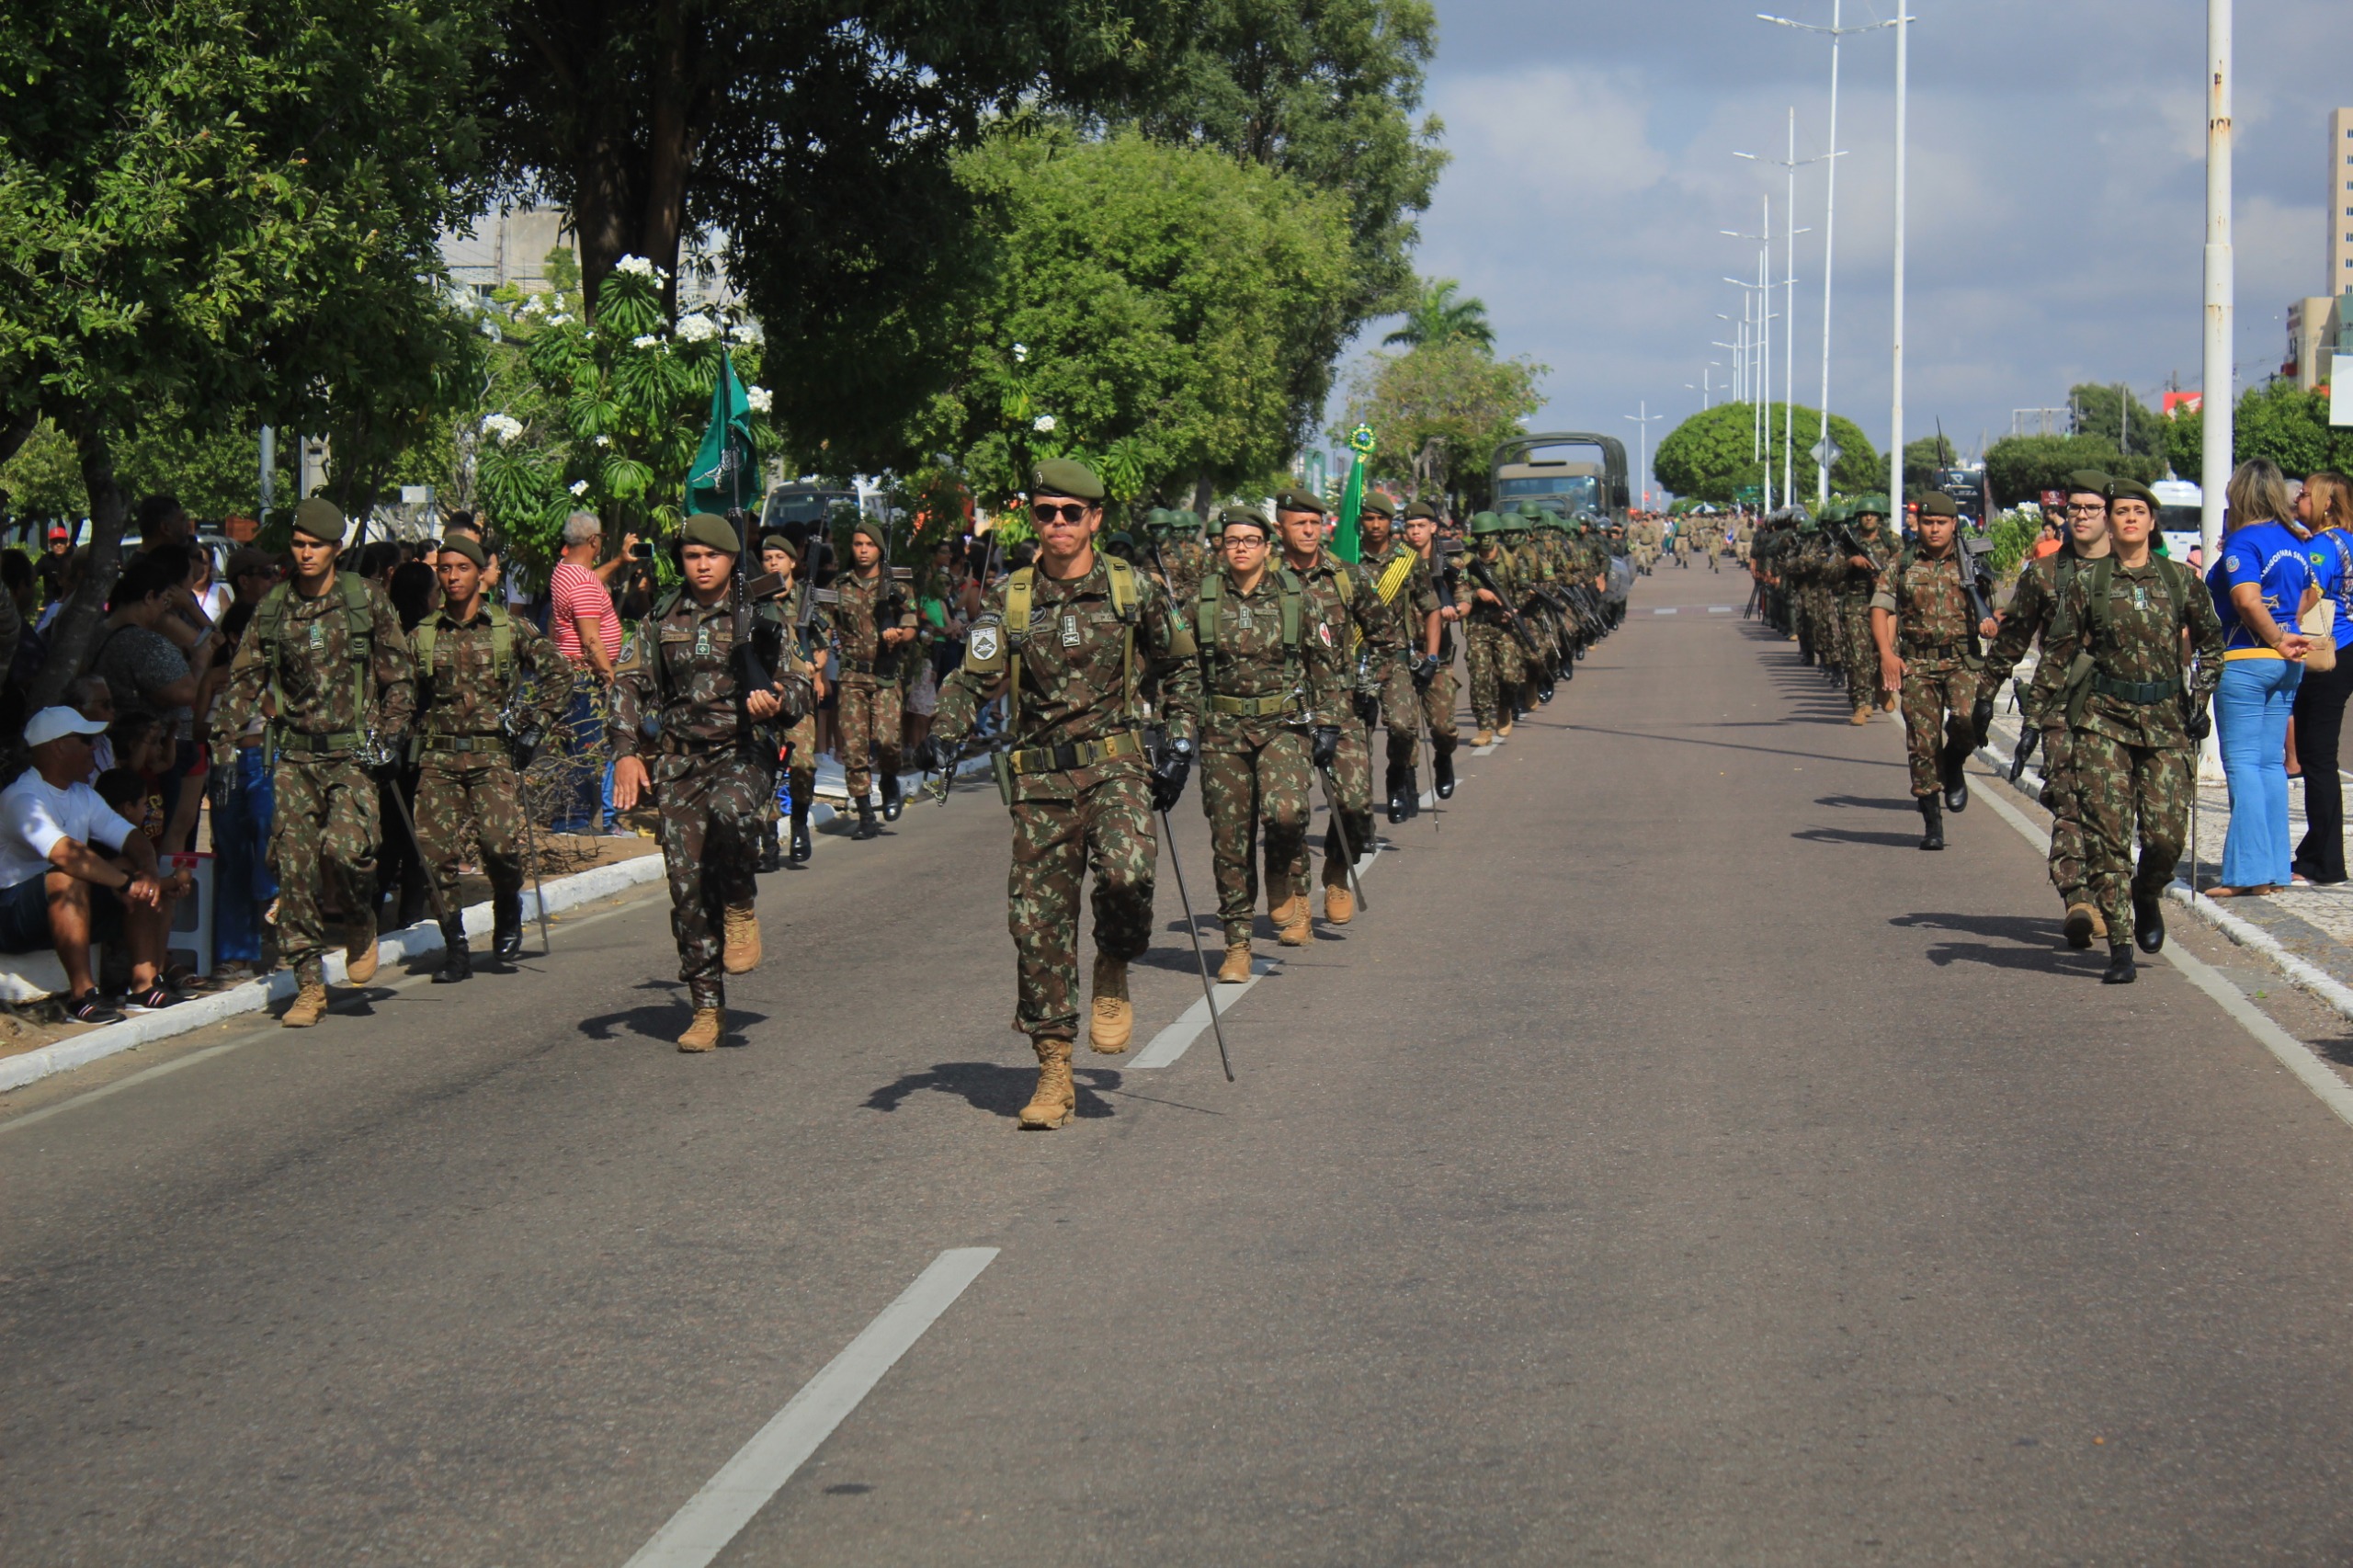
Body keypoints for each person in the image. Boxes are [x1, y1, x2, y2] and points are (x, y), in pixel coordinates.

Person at [919, 459, 1201, 1129]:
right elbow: (974, 674)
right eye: (1045, 513)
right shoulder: (1012, 599)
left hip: (1118, 765)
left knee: (1128, 877)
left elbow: (1181, 666)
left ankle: (1112, 961)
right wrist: (948, 723)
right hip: (1042, 780)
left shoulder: (1134, 590)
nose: (1056, 525)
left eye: (1070, 513)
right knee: (1038, 927)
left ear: (1095, 520)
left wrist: (1181, 740)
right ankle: (1053, 1069)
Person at [210, 498, 415, 1026]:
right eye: (298, 545)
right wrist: (222, 743)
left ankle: (359, 919)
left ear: (335, 550)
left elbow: (400, 675)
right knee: (295, 871)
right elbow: (243, 680)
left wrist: (390, 735)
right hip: (295, 757)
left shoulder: (363, 600)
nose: (304, 554)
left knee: (348, 850)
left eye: (315, 546)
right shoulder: (275, 607)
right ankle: (307, 984)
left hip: (353, 754)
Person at [608, 514, 809, 1051]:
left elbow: (799, 682)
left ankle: (741, 900)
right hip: (679, 765)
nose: (701, 565)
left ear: (729, 561)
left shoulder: (760, 615)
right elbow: (628, 683)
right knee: (688, 888)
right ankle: (706, 1006)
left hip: (743, 752)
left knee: (731, 811)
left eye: (712, 556)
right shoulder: (661, 618)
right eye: (692, 555)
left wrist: (779, 699)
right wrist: (626, 752)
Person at [2044, 478, 2225, 983]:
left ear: (2151, 521)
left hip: (2166, 720)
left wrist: (2202, 695)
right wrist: (2044, 718)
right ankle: (2120, 945)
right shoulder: (2088, 582)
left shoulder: (2180, 581)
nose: (2128, 518)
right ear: (2110, 520)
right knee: (2107, 834)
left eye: (2137, 511)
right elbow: (2058, 652)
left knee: (2166, 837)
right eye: (2120, 510)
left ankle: (2147, 893)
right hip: (2104, 719)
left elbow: (2212, 644)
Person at [409, 534, 573, 982]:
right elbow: (402, 696)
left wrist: (535, 728)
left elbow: (560, 674)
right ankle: (456, 947)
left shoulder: (508, 629)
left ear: (480, 573)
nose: (453, 577)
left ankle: (507, 904)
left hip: (492, 756)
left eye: (462, 568)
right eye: (445, 569)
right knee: (434, 855)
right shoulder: (424, 635)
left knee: (498, 846)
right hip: (438, 759)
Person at [1188, 505, 1340, 972]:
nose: (1239, 548)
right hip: (1222, 732)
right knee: (1229, 841)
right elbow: (1184, 669)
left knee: (1287, 812)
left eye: (1249, 540)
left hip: (1284, 725)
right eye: (1231, 540)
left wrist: (1329, 722)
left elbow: (1323, 663)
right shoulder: (1204, 600)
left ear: (1267, 548)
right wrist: (1178, 726)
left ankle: (1280, 873)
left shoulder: (1296, 597)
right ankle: (1237, 944)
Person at [1979, 471, 2115, 945]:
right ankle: (2078, 897)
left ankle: (2111, 892)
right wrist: (1984, 695)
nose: (2080, 515)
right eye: (2074, 507)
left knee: (2116, 808)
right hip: (2059, 704)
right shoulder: (2044, 573)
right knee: (2071, 800)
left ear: (2110, 515)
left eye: (2090, 508)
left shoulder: (2136, 569)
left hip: (2124, 710)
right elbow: (2013, 638)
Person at [0, 707, 189, 1021]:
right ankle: (83, 997)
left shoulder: (83, 794)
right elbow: (65, 854)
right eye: (86, 740)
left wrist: (148, 876)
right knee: (67, 877)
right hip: (11, 912)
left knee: (135, 866)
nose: (94, 748)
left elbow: (134, 839)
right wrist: (125, 884)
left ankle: (143, 987)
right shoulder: (22, 797)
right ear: (58, 745)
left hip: (67, 910)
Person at [1277, 488, 1400, 925]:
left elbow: (1386, 638)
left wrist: (1370, 685)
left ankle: (1336, 869)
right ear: (1281, 528)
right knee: (1289, 812)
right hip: (1285, 714)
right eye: (1299, 524)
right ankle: (1297, 901)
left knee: (1355, 805)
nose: (1309, 531)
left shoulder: (1347, 577)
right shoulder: (1266, 579)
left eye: (1315, 523)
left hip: (1341, 709)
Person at [2204, 458, 2316, 897]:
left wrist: (2273, 635)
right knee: (2271, 764)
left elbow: (2247, 599)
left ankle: (2247, 873)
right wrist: (2287, 629)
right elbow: (2310, 590)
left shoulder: (2244, 543)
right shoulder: (2294, 540)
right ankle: (2273, 870)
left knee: (2244, 764)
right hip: (2286, 664)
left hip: (2246, 658)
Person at [1871, 493, 1990, 851]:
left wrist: (1991, 622)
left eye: (1941, 522)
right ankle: (1932, 824)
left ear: (1955, 524)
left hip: (1962, 660)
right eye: (1927, 522)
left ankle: (1953, 762)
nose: (1934, 529)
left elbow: (1997, 610)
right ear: (1918, 525)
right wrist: (1886, 655)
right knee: (1922, 744)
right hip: (1918, 663)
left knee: (1969, 719)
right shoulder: (1902, 563)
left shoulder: (1975, 564)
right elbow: (1881, 608)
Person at [832, 517, 919, 838]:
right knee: (854, 749)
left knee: (887, 741)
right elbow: (819, 624)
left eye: (869, 545)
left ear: (880, 550)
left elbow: (911, 623)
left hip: (885, 675)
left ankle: (889, 779)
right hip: (852, 676)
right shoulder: (840, 587)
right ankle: (866, 813)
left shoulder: (897, 586)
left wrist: (900, 634)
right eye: (858, 544)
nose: (863, 550)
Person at [1354, 496, 1432, 820]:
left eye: (1381, 519)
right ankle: (1362, 819)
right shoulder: (1345, 557)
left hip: (1395, 656)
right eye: (1369, 519)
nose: (1375, 525)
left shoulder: (1407, 561)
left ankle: (1398, 774)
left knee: (1402, 726)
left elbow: (1431, 609)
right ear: (1361, 521)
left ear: (1390, 523)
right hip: (1355, 658)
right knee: (1357, 743)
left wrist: (1431, 655)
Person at [2293, 472, 2353, 883]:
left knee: (2316, 758)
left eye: (2304, 493)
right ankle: (2316, 850)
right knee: (2320, 757)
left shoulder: (2321, 546)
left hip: (2326, 653)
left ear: (2327, 502)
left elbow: (2309, 591)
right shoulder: (2347, 540)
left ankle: (2326, 862)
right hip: (2347, 647)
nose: (2298, 497)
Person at [548, 512, 623, 835]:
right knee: (587, 747)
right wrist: (609, 675)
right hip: (585, 677)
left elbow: (589, 584)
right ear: (593, 541)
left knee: (575, 744)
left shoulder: (565, 572)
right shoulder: (583, 583)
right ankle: (577, 819)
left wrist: (620, 560)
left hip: (568, 671)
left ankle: (574, 816)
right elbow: (591, 638)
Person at [1404, 501, 1462, 798]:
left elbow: (1465, 597)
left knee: (1442, 727)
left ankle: (1444, 757)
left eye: (1421, 526)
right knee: (1404, 726)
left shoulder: (1449, 562)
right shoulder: (1396, 564)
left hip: (1438, 657)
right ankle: (1408, 780)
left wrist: (1456, 609)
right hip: (1404, 653)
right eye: (1410, 527)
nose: (1415, 532)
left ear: (1433, 528)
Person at [1835, 496, 1903, 724]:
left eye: (1872, 514)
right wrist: (1849, 563)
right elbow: (1827, 573)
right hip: (1856, 604)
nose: (1869, 517)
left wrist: (1885, 581)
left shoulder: (1892, 541)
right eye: (1864, 514)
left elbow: (1905, 570)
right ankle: (1861, 704)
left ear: (1880, 517)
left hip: (1885, 606)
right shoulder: (1847, 542)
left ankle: (1881, 687)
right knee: (1857, 656)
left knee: (1885, 651)